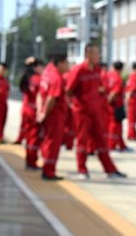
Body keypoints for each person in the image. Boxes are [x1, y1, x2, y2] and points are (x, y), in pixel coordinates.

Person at [65, 44, 126, 179]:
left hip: (96, 112)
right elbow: (68, 90)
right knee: (82, 141)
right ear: (88, 54)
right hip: (82, 112)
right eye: (96, 53)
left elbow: (99, 87)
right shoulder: (79, 70)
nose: (98, 56)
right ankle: (82, 170)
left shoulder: (97, 70)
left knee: (101, 141)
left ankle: (110, 170)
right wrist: (73, 106)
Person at [37, 53, 70, 181]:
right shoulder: (57, 78)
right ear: (61, 63)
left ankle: (47, 167)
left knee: (47, 141)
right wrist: (44, 114)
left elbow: (41, 94)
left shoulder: (47, 74)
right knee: (53, 144)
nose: (68, 66)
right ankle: (49, 171)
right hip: (55, 116)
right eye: (66, 63)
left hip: (50, 115)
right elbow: (52, 98)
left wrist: (41, 111)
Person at [20, 57, 44, 169]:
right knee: (35, 137)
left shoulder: (26, 78)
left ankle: (29, 160)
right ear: (36, 67)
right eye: (41, 66)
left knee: (29, 137)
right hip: (34, 112)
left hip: (26, 110)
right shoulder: (38, 79)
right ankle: (31, 162)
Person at [106, 61, 131, 152]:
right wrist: (108, 101)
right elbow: (115, 93)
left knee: (112, 125)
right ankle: (112, 145)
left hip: (110, 105)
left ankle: (120, 144)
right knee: (115, 126)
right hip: (116, 105)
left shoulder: (108, 76)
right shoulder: (117, 78)